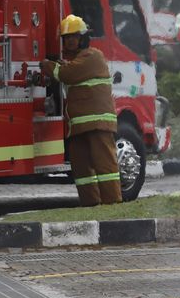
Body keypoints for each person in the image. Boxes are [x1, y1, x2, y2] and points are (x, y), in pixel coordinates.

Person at [40, 15, 121, 206]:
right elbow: (68, 70)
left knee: (105, 165)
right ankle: (91, 204)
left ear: (83, 38)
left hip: (98, 123)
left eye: (74, 37)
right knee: (81, 167)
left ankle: (113, 204)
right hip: (80, 126)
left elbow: (67, 74)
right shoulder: (76, 61)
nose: (69, 41)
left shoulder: (92, 56)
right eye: (66, 38)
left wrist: (47, 65)